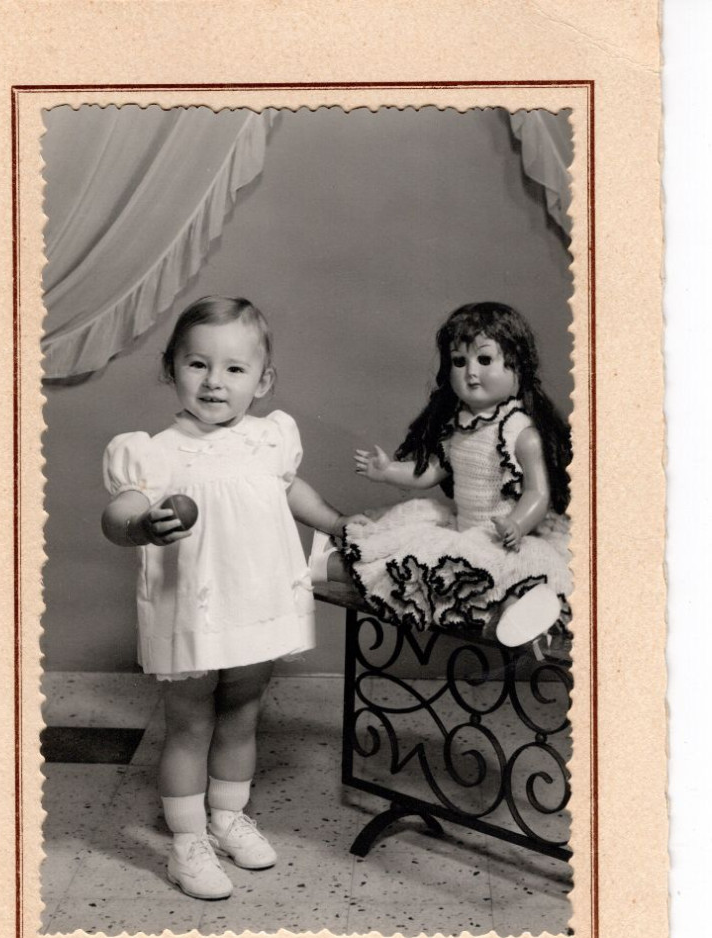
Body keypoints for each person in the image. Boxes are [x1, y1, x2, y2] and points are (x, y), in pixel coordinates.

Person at [102, 296, 352, 900]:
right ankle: (187, 843)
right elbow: (120, 511)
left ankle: (227, 817)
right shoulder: (153, 450)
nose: (215, 381)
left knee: (243, 710)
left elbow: (293, 493)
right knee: (189, 721)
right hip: (195, 609)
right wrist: (140, 526)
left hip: (257, 602)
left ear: (262, 381)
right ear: (171, 368)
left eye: (235, 369)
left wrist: (339, 523)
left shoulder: (270, 439)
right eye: (197, 364)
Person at [310, 301, 572, 647]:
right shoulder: (458, 426)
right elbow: (431, 472)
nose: (470, 372)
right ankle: (326, 565)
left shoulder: (520, 431)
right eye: (459, 361)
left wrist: (518, 524)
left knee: (503, 575)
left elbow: (538, 493)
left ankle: (518, 614)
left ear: (517, 367)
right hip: (465, 531)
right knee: (411, 563)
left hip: (506, 538)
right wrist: (388, 471)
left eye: (484, 360)